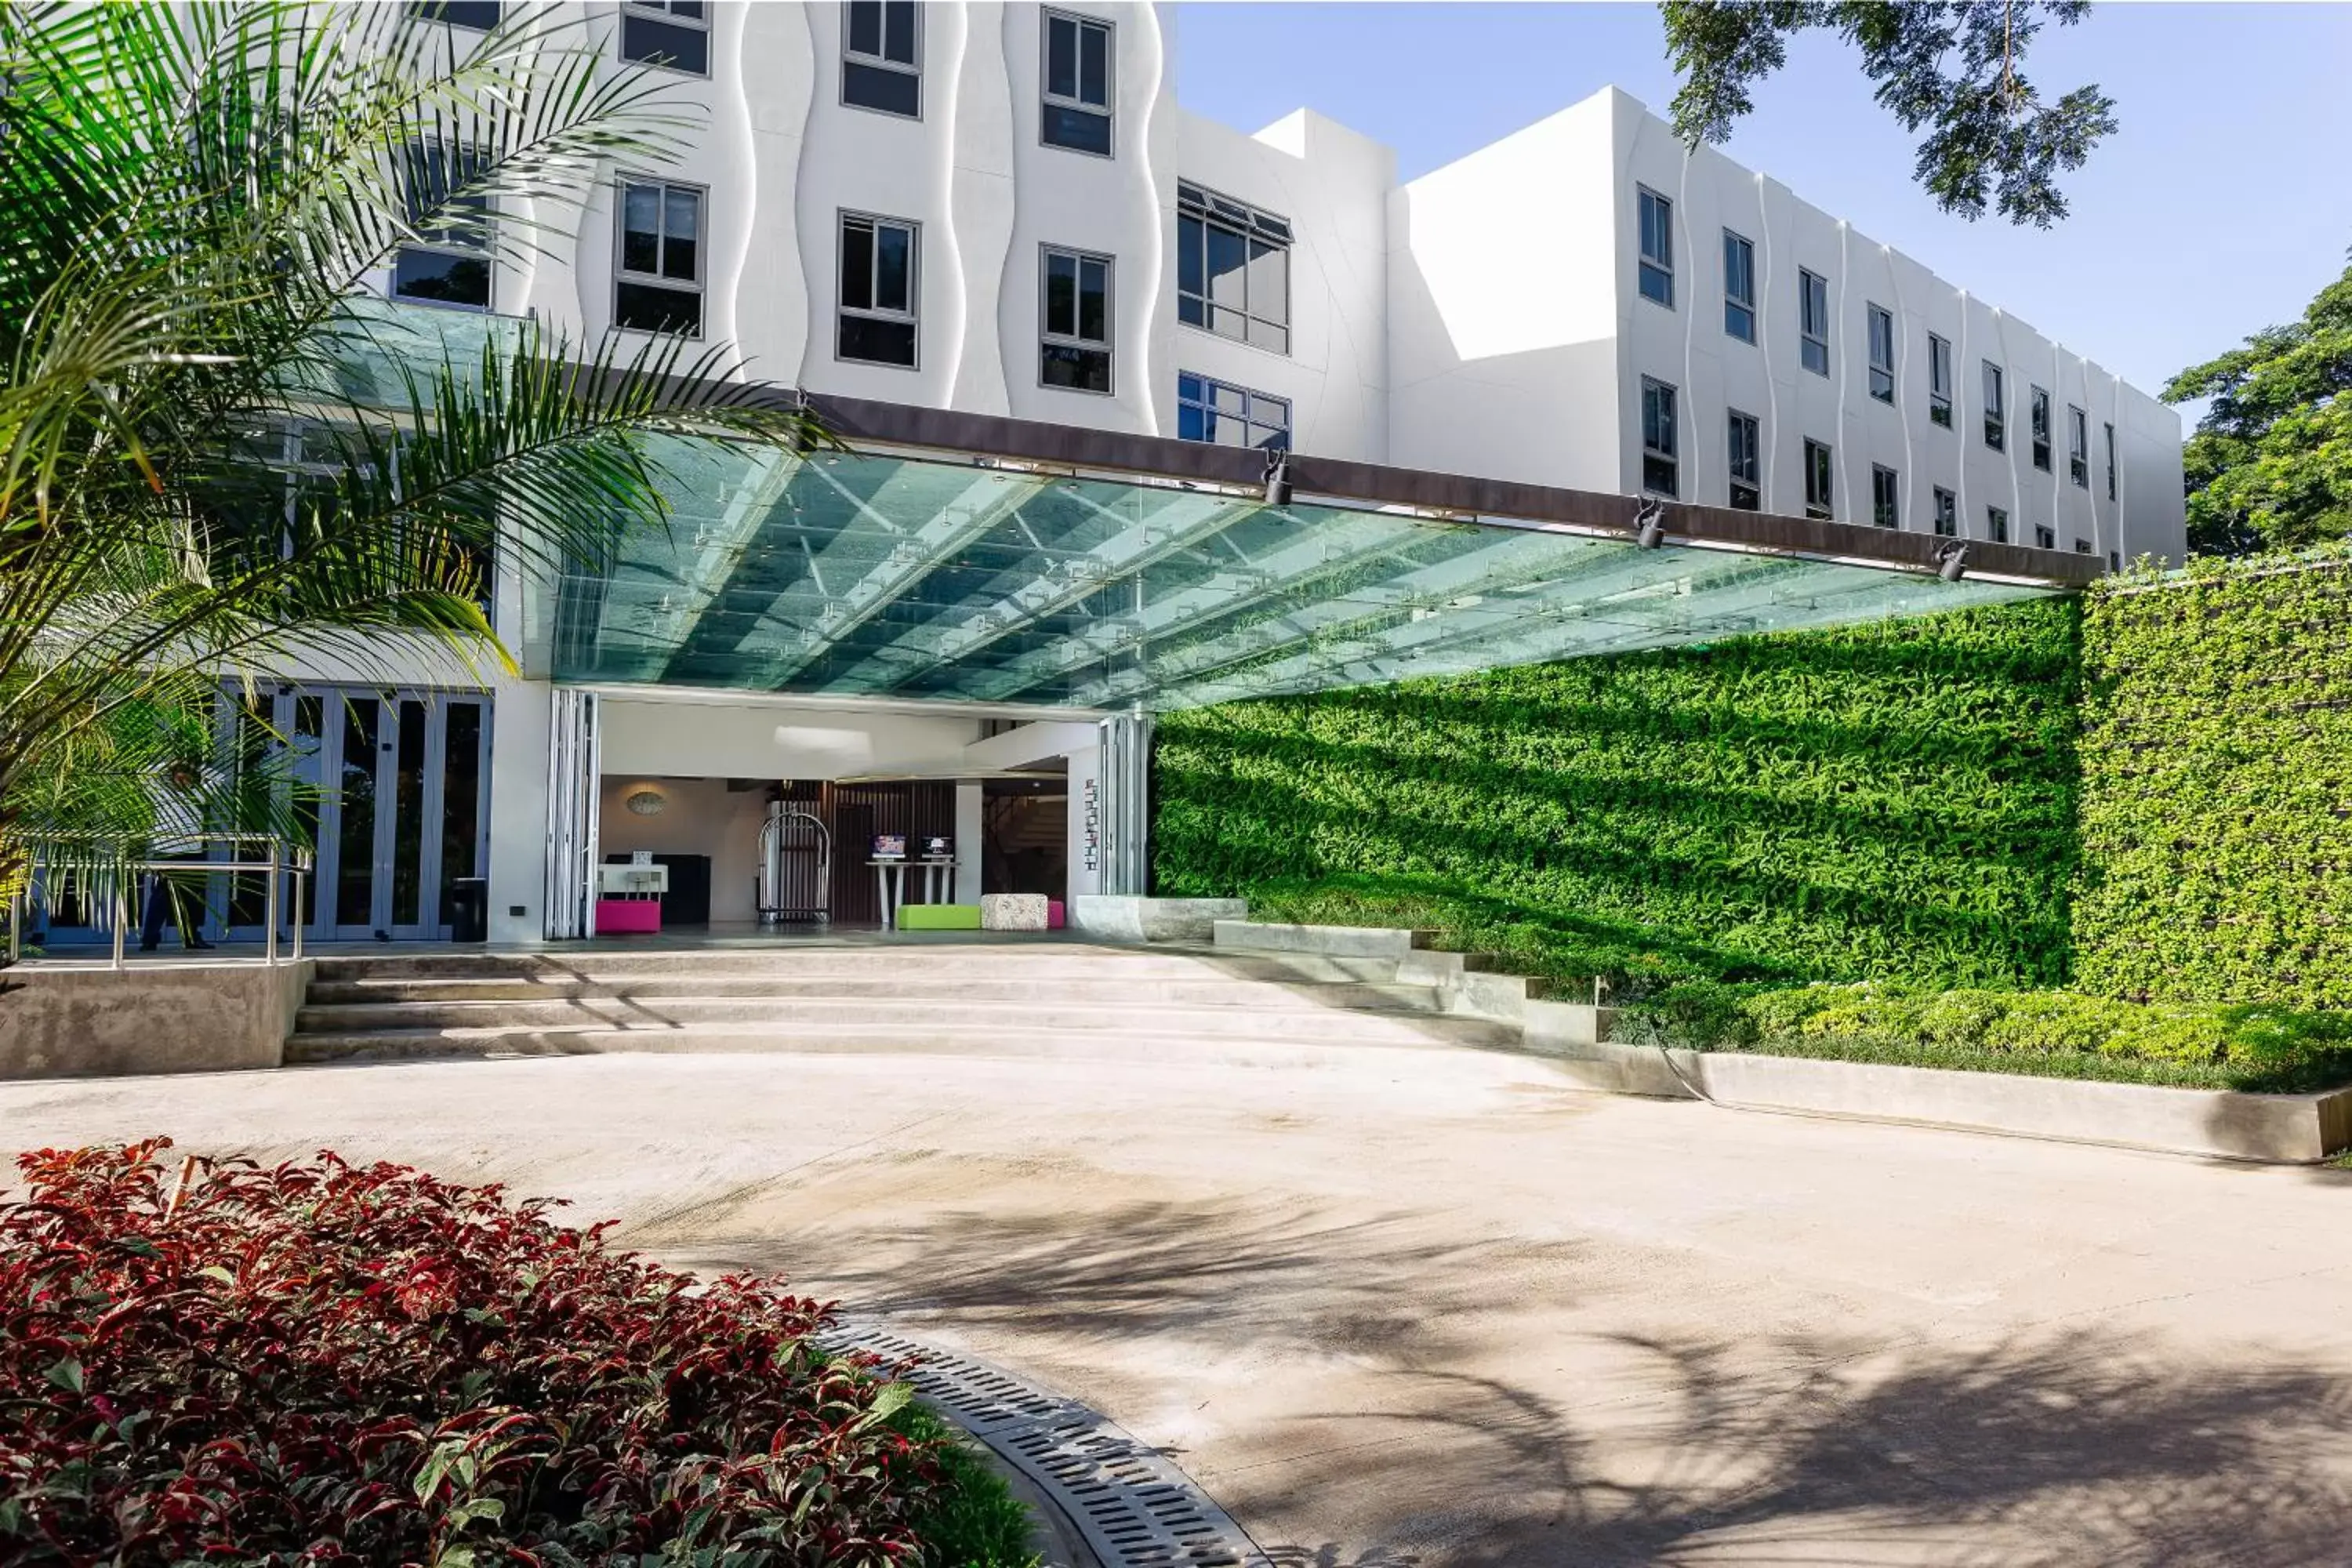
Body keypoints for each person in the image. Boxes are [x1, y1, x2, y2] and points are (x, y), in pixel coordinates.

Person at [138, 755, 216, 953]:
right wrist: (169, 762)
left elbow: (218, 779)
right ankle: (149, 939)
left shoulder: (198, 794)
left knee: (192, 899)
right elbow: (144, 775)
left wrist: (194, 765)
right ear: (172, 777)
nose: (183, 780)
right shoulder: (161, 794)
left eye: (186, 776)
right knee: (160, 899)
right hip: (167, 853)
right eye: (179, 776)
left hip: (192, 852)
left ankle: (191, 938)